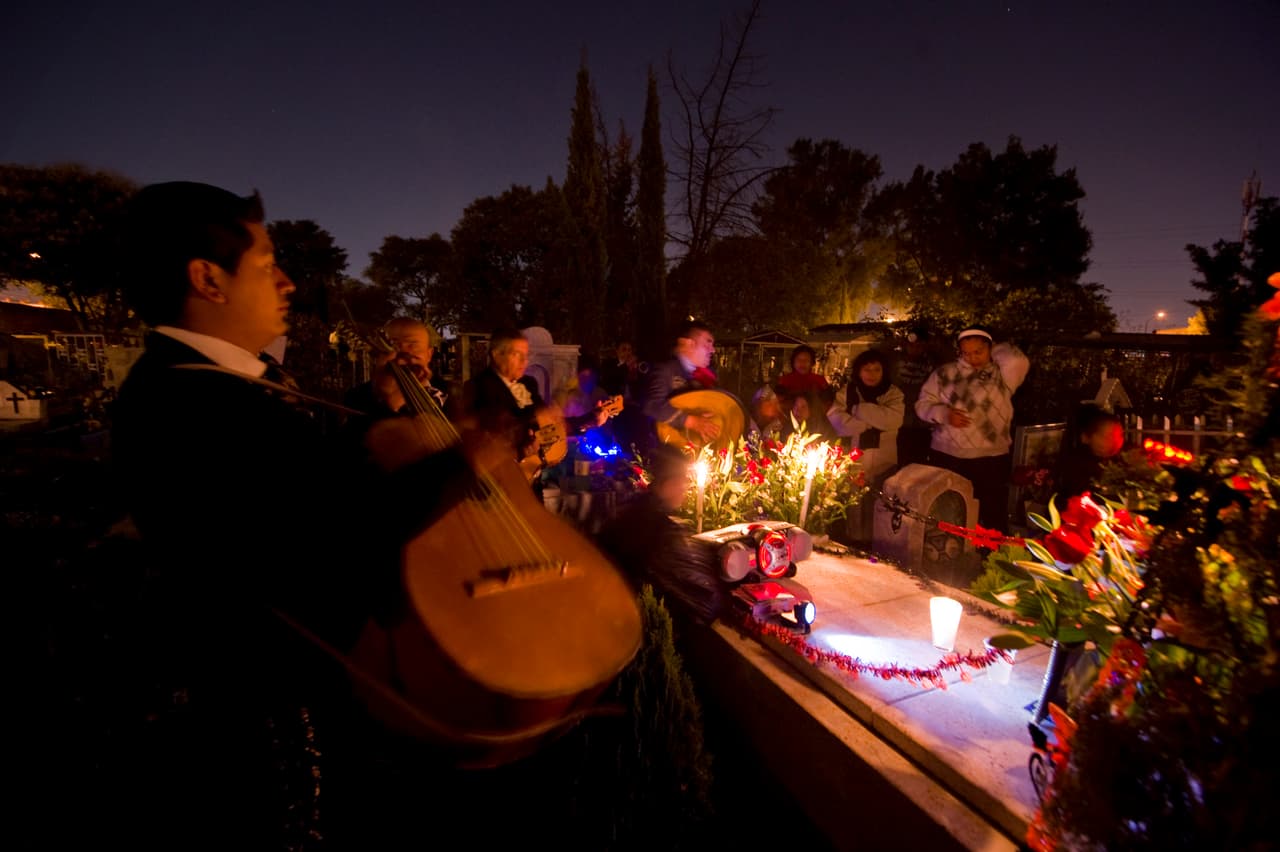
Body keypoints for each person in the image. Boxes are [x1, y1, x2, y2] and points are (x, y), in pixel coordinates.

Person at [108, 181, 492, 846]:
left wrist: (376, 409)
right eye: (264, 265)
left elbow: (305, 482)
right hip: (279, 713)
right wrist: (472, 458)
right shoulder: (191, 404)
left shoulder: (216, 382)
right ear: (207, 279)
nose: (286, 282)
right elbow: (346, 526)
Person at [915, 326, 1030, 534]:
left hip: (990, 457)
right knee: (948, 509)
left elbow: (1018, 361)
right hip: (947, 454)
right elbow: (922, 405)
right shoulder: (944, 373)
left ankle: (992, 557)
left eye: (978, 351)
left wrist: (995, 350)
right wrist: (944, 414)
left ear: (990, 348)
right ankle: (947, 554)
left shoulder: (1002, 375)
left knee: (992, 511)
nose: (972, 358)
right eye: (966, 352)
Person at [827, 349, 905, 545]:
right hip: (855, 456)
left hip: (883, 459)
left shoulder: (893, 393)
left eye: (876, 369)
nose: (871, 374)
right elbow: (836, 418)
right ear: (859, 372)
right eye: (866, 369)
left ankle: (877, 542)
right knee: (854, 500)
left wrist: (857, 410)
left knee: (880, 500)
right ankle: (853, 541)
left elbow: (893, 419)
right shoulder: (848, 391)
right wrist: (865, 425)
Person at [641, 319, 723, 449]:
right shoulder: (665, 369)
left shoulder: (706, 376)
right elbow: (652, 405)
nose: (712, 350)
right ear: (688, 344)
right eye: (707, 343)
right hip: (666, 452)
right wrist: (691, 421)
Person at [343, 315, 446, 419]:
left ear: (429, 354)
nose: (404, 353)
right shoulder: (357, 397)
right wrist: (390, 400)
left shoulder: (451, 392)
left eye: (413, 345)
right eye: (393, 345)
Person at [1050, 403, 1127, 511]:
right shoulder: (1076, 469)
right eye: (1106, 436)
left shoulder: (1118, 462)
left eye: (1118, 435)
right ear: (1085, 437)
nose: (1114, 441)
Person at [892, 326, 938, 467]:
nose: (915, 348)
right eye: (912, 345)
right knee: (898, 462)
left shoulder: (933, 364)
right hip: (898, 422)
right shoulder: (894, 362)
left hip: (923, 425)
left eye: (920, 345)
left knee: (920, 464)